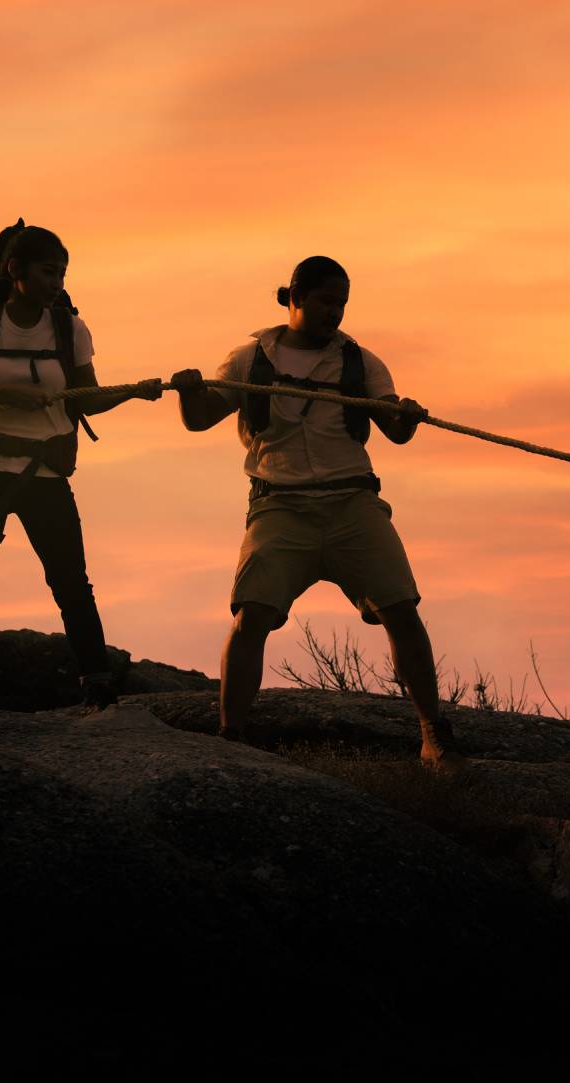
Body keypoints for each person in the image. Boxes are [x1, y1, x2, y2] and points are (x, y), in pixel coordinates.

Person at [169, 256, 462, 766]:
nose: (336, 312)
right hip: (279, 507)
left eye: (343, 303)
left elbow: (394, 430)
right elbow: (198, 420)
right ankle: (230, 738)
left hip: (353, 504)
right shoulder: (248, 361)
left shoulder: (361, 362)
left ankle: (432, 734)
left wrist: (407, 416)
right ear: (294, 299)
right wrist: (187, 391)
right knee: (250, 615)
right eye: (328, 301)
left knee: (402, 609)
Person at [0, 222, 161, 709]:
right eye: (48, 271)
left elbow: (88, 400)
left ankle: (97, 681)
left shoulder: (70, 328)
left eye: (62, 273)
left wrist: (136, 391)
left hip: (48, 475)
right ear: (15, 270)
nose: (57, 282)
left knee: (72, 582)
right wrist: (6, 395)